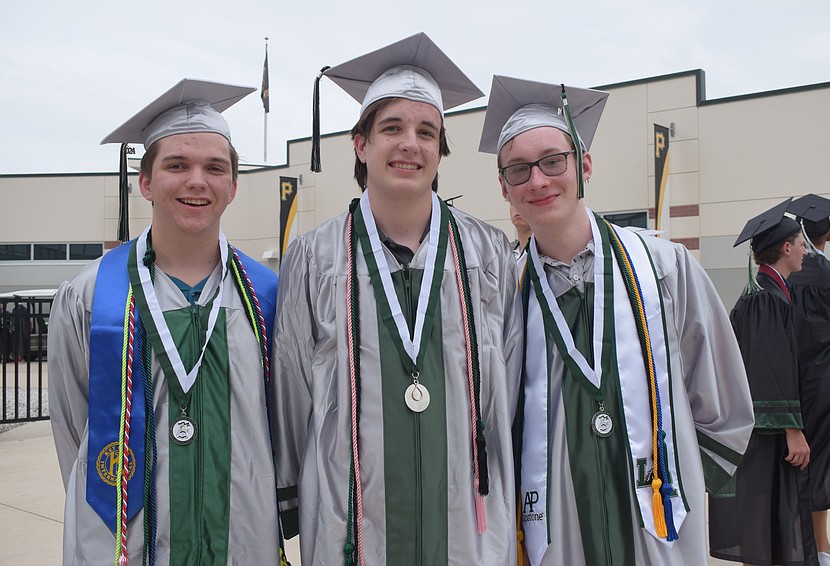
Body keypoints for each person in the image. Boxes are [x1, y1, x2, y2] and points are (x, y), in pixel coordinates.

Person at [478, 75, 754, 566]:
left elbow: (720, 394)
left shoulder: (664, 266)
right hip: (556, 527)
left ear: (583, 164)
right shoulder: (503, 296)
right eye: (519, 170)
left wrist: (679, 473)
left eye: (553, 160)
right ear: (504, 188)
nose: (538, 180)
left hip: (657, 519)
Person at [273, 33, 522, 565]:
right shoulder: (313, 258)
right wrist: (291, 495)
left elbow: (511, 389)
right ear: (361, 145)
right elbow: (292, 391)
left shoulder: (490, 253)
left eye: (426, 132)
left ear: (439, 150)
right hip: (354, 522)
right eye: (392, 128)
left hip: (467, 523)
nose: (410, 144)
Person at [48, 79, 283, 565]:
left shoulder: (267, 297)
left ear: (233, 187)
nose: (197, 180)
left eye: (214, 168)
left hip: (241, 544)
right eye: (177, 165)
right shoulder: (91, 297)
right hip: (128, 547)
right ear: (147, 182)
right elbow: (75, 431)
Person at [709, 199, 817, 566]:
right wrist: (791, 427)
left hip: (765, 433)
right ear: (786, 248)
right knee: (760, 512)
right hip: (765, 434)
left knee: (768, 516)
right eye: (801, 244)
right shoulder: (764, 301)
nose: (805, 251)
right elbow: (767, 368)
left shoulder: (770, 294)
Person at [786, 193, 830, 566]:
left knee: (795, 464)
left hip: (790, 383)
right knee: (820, 463)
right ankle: (820, 549)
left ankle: (803, 544)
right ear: (828, 237)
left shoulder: (783, 279)